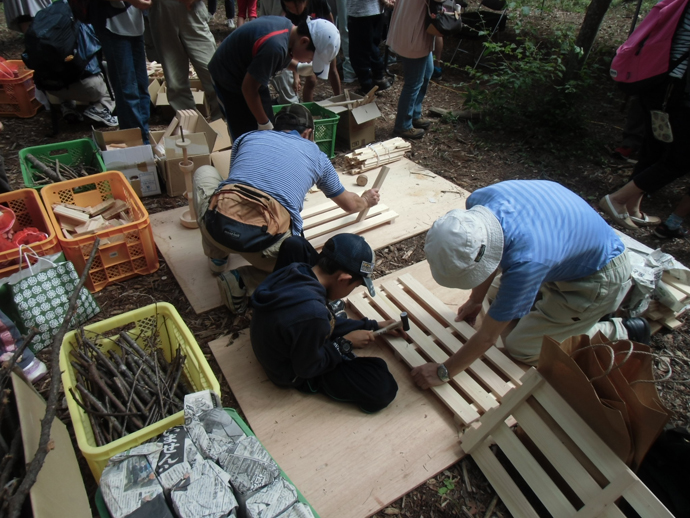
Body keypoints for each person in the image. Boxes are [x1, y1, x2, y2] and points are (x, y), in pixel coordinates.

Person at [411, 180, 651, 390]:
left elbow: (487, 338)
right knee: (495, 294)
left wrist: (445, 371)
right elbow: (489, 253)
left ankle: (619, 329)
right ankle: (554, 309)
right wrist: (475, 300)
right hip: (564, 251)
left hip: (598, 278)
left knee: (521, 346)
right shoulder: (480, 201)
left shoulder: (527, 262)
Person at [191, 104, 381, 313]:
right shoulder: (316, 155)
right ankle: (243, 280)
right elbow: (349, 204)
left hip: (215, 226)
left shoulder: (247, 138)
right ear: (308, 133)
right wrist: (366, 200)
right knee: (311, 270)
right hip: (263, 246)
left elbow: (233, 182)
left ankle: (217, 255)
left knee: (205, 172)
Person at [250, 233, 399, 413]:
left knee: (296, 244)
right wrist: (344, 344)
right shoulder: (314, 316)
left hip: (278, 341)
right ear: (343, 279)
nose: (350, 291)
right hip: (289, 372)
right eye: (354, 286)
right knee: (382, 388)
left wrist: (373, 326)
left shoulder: (297, 269)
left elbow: (321, 322)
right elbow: (308, 368)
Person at [599, 2, 690, 237]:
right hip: (678, 92)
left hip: (657, 82)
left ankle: (632, 206)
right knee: (680, 159)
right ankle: (617, 200)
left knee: (654, 147)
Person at [208, 16, 340, 140]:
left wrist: (297, 67)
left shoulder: (288, 31)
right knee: (244, 133)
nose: (308, 62)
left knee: (266, 119)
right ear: (304, 41)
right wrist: (264, 123)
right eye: (311, 58)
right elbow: (248, 89)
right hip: (228, 77)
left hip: (252, 74)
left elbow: (270, 58)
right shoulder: (275, 47)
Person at [89, 0, 152, 143]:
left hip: (135, 25)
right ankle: (136, 142)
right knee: (127, 89)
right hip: (113, 26)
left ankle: (143, 137)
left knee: (141, 86)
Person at [148, 0, 222, 120]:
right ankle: (189, 125)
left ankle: (222, 123)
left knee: (212, 72)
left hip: (192, 9)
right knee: (175, 80)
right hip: (162, 9)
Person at [387, 0, 434, 140]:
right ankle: (403, 125)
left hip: (415, 29)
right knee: (413, 82)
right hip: (413, 33)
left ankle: (414, 114)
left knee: (426, 73)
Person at [282, 0, 342, 101]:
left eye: (293, 7)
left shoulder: (319, 2)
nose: (292, 10)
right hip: (308, 47)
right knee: (311, 79)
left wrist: (334, 38)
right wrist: (296, 76)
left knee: (333, 70)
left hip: (326, 42)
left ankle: (340, 100)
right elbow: (292, 48)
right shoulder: (292, 16)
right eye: (289, 8)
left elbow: (330, 18)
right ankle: (307, 110)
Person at [347, 0, 392, 95]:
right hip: (376, 10)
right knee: (371, 45)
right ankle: (378, 78)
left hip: (361, 11)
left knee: (358, 51)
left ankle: (367, 86)